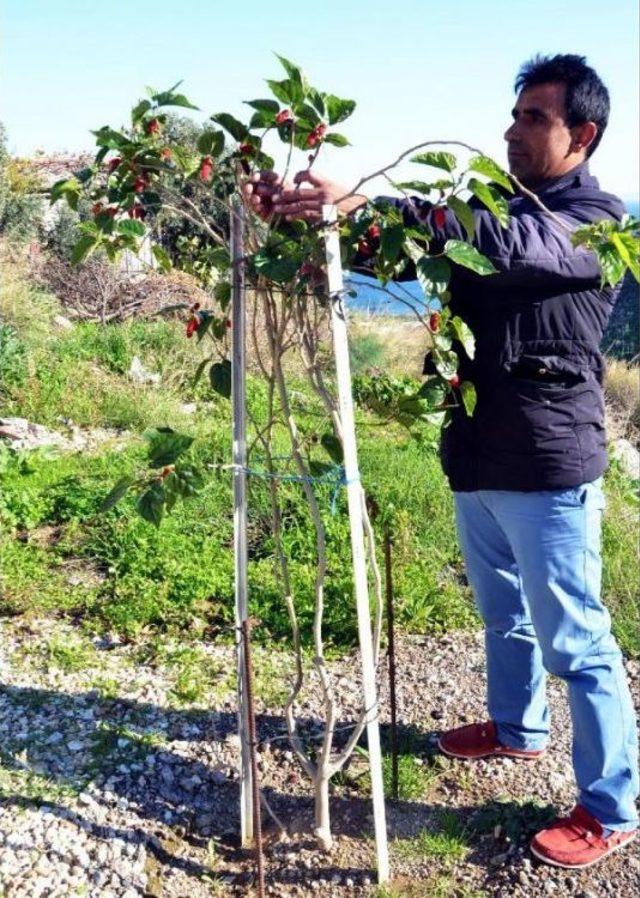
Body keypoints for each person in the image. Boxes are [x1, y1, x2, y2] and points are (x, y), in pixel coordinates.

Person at [243, 54, 639, 868]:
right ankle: (517, 727)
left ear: (583, 134)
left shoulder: (593, 221)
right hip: (479, 452)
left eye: (535, 118)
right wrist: (316, 216)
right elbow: (412, 251)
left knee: (579, 642)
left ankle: (612, 807)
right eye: (516, 114)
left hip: (547, 466)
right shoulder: (500, 210)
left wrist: (378, 201)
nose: (511, 129)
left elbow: (504, 242)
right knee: (505, 614)